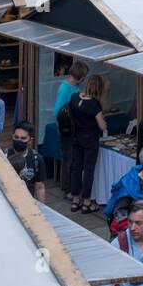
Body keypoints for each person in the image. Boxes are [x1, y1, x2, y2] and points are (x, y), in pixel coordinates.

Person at [69, 73, 108, 213]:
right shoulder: (94, 104)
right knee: (88, 170)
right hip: (90, 140)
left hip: (76, 138)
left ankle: (75, 200)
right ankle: (86, 202)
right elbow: (102, 125)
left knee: (76, 168)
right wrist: (104, 123)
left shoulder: (74, 97)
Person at [54, 60, 88, 196]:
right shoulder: (65, 88)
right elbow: (59, 110)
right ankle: (66, 189)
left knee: (73, 158)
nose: (85, 79)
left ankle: (71, 187)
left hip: (73, 128)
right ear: (80, 76)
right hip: (66, 129)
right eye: (84, 76)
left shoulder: (75, 88)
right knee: (68, 159)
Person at [5, 119, 47, 201]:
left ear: (30, 140)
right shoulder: (4, 156)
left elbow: (39, 187)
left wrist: (42, 209)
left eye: (23, 138)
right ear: (12, 136)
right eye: (16, 137)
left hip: (27, 202)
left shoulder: (37, 159)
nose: (18, 140)